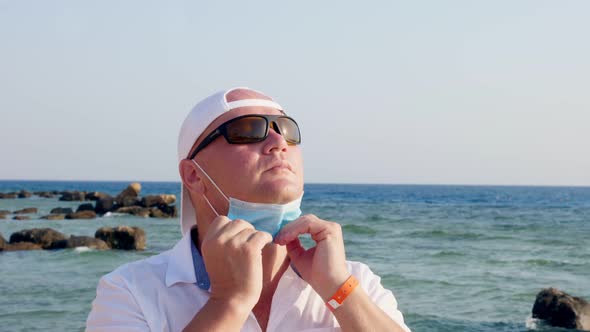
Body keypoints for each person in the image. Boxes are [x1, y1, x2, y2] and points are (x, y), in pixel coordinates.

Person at [86, 87, 411, 332]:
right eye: (247, 130)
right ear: (194, 175)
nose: (277, 142)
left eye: (286, 130)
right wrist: (229, 301)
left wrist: (340, 291)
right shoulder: (130, 291)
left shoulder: (356, 283)